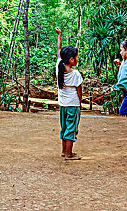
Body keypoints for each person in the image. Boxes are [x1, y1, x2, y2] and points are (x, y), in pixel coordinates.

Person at [55, 27, 83, 160]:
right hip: (73, 104)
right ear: (71, 60)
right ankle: (68, 153)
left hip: (63, 105)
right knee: (71, 128)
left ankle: (64, 151)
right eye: (77, 57)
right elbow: (79, 91)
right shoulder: (75, 74)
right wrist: (80, 103)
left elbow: (58, 52)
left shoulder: (58, 67)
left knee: (65, 126)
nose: (78, 59)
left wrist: (59, 36)